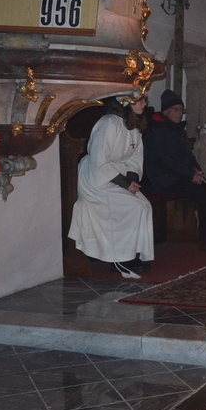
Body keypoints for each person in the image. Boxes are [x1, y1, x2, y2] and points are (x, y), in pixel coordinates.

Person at [69, 94, 154, 279]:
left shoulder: (133, 125)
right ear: (126, 102)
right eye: (140, 100)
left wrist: (132, 179)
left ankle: (132, 255)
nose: (144, 104)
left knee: (144, 206)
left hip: (118, 175)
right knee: (133, 207)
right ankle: (120, 260)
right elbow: (99, 160)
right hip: (97, 179)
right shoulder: (108, 123)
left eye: (145, 100)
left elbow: (135, 158)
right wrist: (125, 184)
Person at [144, 89, 206, 253]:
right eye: (176, 109)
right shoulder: (156, 130)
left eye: (181, 110)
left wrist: (197, 171)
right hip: (165, 179)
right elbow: (164, 162)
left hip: (181, 176)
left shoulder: (177, 130)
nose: (180, 113)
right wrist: (190, 175)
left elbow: (188, 156)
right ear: (166, 111)